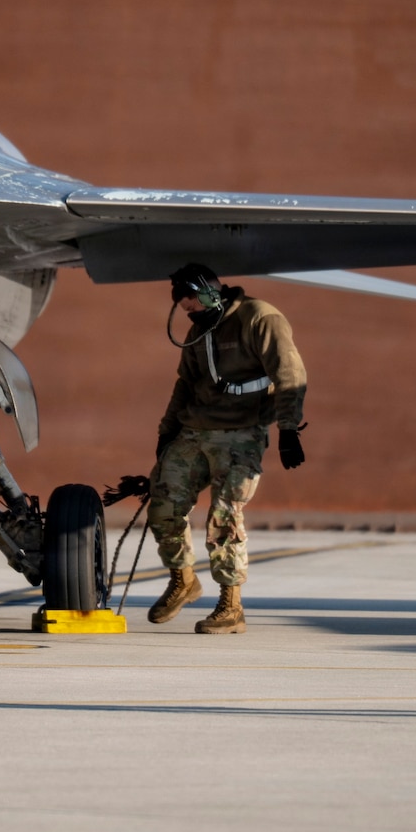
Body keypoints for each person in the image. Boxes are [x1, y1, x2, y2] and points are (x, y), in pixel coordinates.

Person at [145, 263, 307, 635]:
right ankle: (183, 580)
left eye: (193, 306)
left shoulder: (260, 318)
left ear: (208, 293)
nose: (192, 315)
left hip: (241, 434)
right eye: (187, 311)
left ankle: (230, 606)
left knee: (224, 517)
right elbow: (185, 384)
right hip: (194, 431)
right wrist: (166, 432)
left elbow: (289, 372)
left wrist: (288, 429)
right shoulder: (199, 331)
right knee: (163, 506)